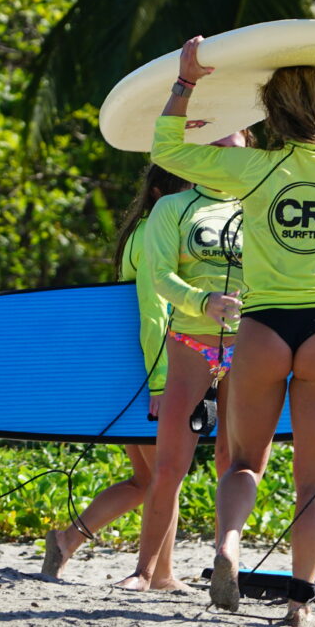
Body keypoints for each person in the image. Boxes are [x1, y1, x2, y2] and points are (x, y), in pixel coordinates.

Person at [150, 37, 315, 626]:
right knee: (313, 479)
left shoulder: (252, 170)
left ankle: (228, 544)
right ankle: (300, 604)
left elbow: (166, 148)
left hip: (263, 328)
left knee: (245, 462)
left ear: (268, 115)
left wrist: (187, 81)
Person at [43, 139, 246, 586]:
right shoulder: (157, 232)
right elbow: (155, 315)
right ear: (161, 196)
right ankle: (153, 573)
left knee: (145, 479)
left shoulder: (141, 233)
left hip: (130, 372)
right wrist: (158, 382)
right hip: (150, 371)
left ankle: (70, 543)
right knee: (162, 476)